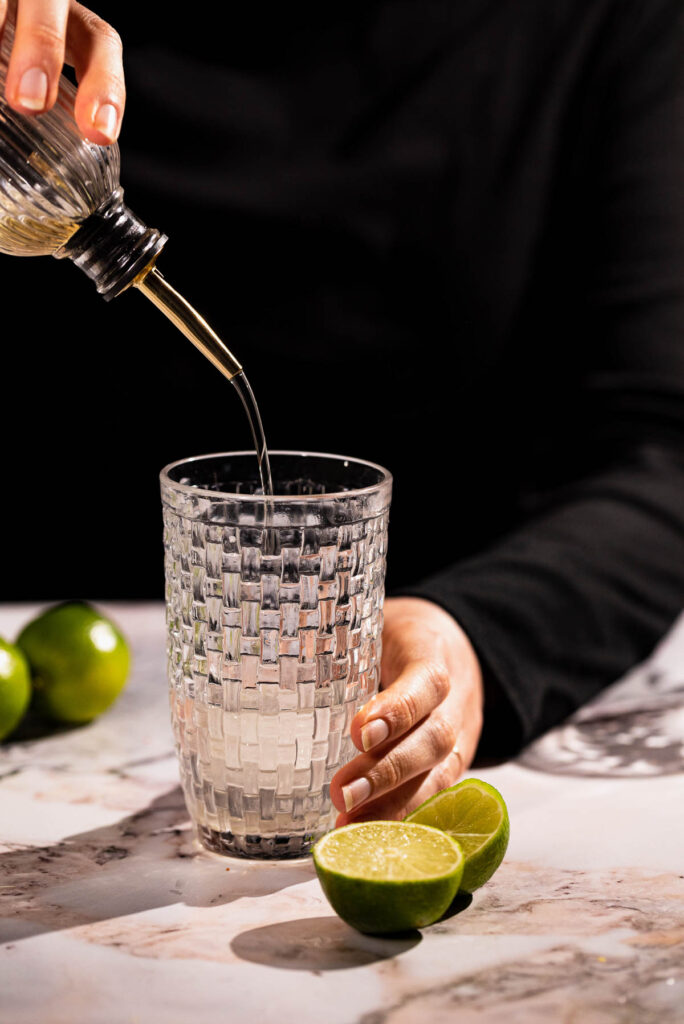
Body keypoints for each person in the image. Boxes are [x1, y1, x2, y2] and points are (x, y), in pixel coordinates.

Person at [2, 1, 683, 828]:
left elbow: (659, 455)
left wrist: (466, 637)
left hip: (414, 640)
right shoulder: (39, 38)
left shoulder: (607, 27)